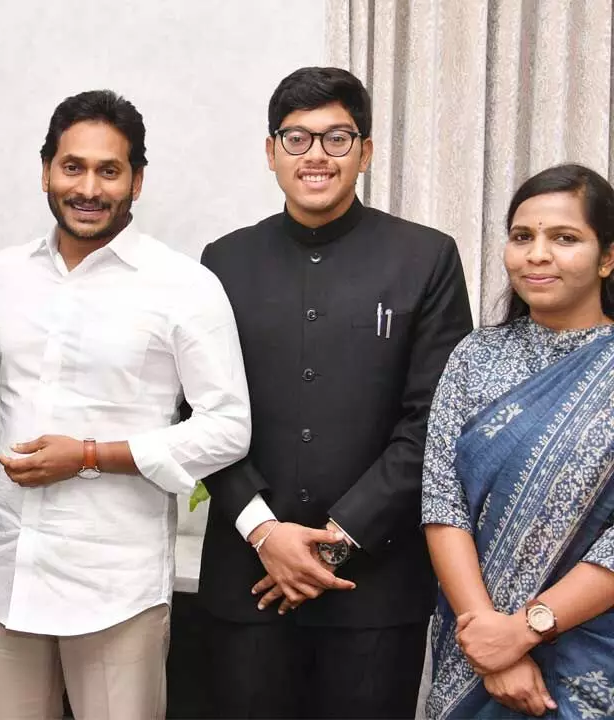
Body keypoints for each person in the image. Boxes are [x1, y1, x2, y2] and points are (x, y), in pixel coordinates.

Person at [197, 66, 473, 718]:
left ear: (366, 152)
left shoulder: (425, 257)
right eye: (296, 138)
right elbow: (197, 410)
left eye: (337, 138)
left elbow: (433, 418)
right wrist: (265, 532)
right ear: (271, 153)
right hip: (249, 582)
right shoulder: (223, 262)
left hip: (375, 588)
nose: (315, 155)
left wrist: (334, 538)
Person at [0, 89, 251, 720]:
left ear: (137, 180)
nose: (89, 188)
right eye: (73, 167)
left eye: (109, 170)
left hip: (114, 585)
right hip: (8, 571)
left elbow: (229, 428)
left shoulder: (184, 286)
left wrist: (92, 455)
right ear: (46, 169)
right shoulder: (4, 273)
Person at [423, 163, 614, 720]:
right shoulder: (474, 357)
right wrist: (489, 640)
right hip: (472, 644)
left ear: (607, 257)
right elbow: (441, 501)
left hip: (590, 649)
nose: (537, 254)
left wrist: (526, 629)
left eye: (564, 238)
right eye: (522, 237)